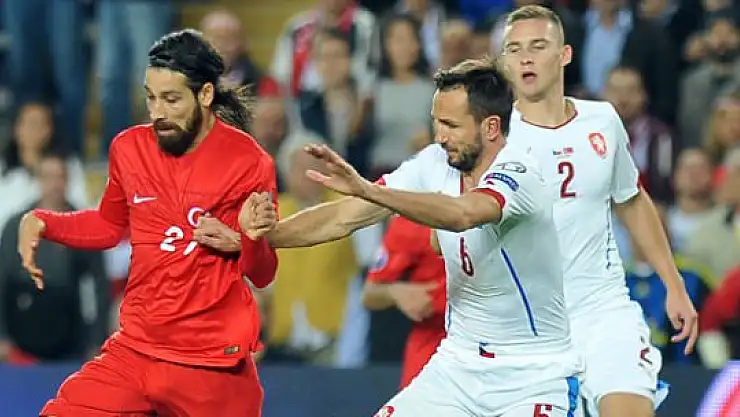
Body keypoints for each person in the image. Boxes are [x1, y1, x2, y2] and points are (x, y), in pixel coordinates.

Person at [241, 57, 583, 417]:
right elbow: (343, 217)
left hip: (531, 373)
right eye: (437, 122)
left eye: (451, 125)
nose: (440, 137)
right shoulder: (434, 162)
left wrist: (371, 191)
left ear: (491, 127)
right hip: (458, 367)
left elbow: (464, 214)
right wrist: (256, 239)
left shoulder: (520, 171)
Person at [16, 29, 278, 417]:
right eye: (150, 97)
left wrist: (250, 240)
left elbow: (263, 273)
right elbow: (108, 225)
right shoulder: (129, 148)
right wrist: (44, 221)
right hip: (136, 350)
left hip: (210, 363)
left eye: (171, 99)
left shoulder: (249, 163)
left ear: (205, 95)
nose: (157, 112)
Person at [499, 5, 698, 417]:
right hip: (527, 325)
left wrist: (673, 283)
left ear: (565, 55)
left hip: (602, 309)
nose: (526, 58)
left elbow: (631, 199)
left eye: (538, 46)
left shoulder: (601, 120)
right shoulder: (494, 138)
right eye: (515, 49)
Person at [362, 215, 447, 389]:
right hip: (433, 342)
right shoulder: (411, 222)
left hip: (496, 338)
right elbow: (369, 294)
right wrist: (395, 292)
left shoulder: (499, 210)